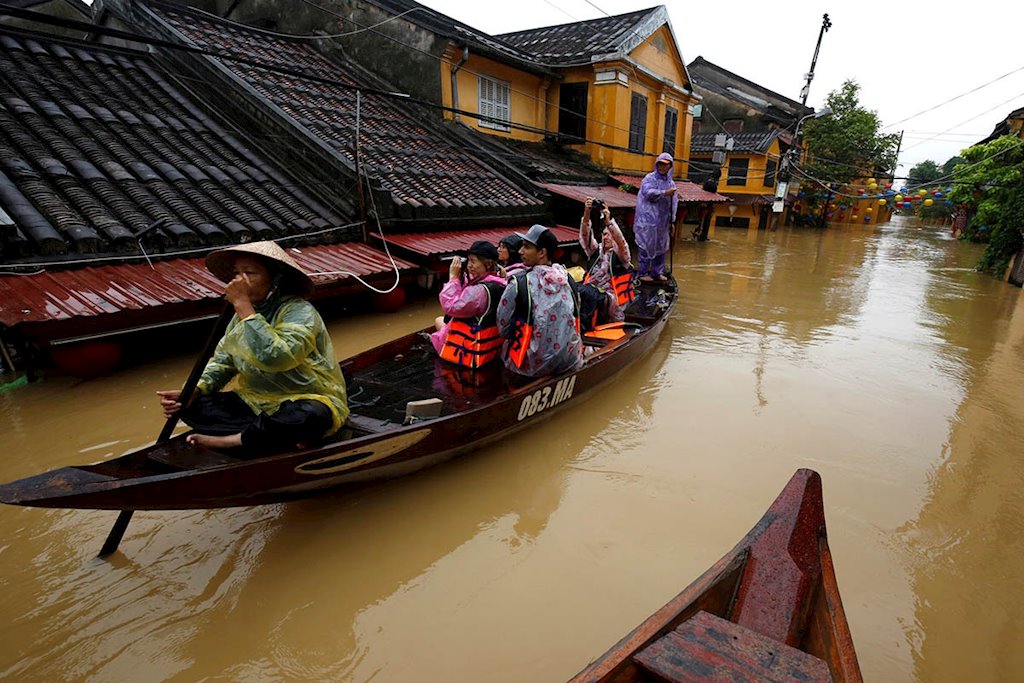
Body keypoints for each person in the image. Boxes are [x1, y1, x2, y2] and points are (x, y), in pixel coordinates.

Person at [157, 241, 348, 455]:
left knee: (308, 416)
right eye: (237, 273)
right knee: (190, 406)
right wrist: (195, 390)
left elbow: (276, 357)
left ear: (276, 279)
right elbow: (222, 362)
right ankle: (274, 435)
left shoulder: (299, 311)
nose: (240, 280)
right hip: (255, 401)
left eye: (249, 273)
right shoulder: (239, 318)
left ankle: (234, 440)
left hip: (305, 398)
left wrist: (244, 306)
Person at [496, 224, 583, 378]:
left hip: (530, 367)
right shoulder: (567, 278)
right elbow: (577, 309)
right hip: (569, 359)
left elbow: (503, 326)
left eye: (526, 247)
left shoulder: (518, 283)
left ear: (542, 252)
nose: (521, 251)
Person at [431, 240, 508, 369]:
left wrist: (453, 278)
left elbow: (450, 307)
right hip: (490, 342)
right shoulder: (500, 281)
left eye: (473, 261)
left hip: (469, 348)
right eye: (469, 261)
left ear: (488, 264)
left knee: (438, 321)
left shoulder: (479, 291)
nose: (469, 265)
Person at [579, 196, 634, 327]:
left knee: (591, 295)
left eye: (610, 234)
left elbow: (621, 242)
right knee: (579, 290)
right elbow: (585, 235)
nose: (607, 237)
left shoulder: (621, 255)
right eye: (604, 234)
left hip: (611, 297)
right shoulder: (595, 251)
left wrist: (608, 221)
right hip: (591, 291)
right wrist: (587, 212)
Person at [633, 152, 678, 282]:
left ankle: (657, 272)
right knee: (646, 245)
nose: (662, 167)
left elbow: (673, 204)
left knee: (661, 247)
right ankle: (642, 273)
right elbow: (648, 193)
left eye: (665, 165)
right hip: (647, 221)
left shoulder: (671, 184)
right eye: (660, 164)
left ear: (670, 166)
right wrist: (664, 193)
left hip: (662, 223)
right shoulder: (649, 178)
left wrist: (672, 221)